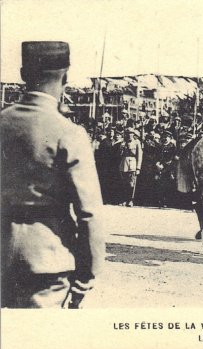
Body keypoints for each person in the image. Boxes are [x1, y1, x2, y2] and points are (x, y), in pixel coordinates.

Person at [1, 41, 104, 308]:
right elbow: (89, 213)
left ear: (23, 74)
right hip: (46, 262)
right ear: (66, 77)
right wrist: (86, 275)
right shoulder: (69, 133)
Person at [118, 128, 143, 207]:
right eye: (127, 133)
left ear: (133, 134)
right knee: (124, 183)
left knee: (132, 183)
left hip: (133, 164)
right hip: (124, 163)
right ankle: (124, 199)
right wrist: (121, 148)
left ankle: (131, 200)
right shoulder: (123, 143)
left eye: (131, 133)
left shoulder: (136, 143)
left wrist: (138, 168)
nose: (129, 135)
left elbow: (139, 155)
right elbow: (119, 155)